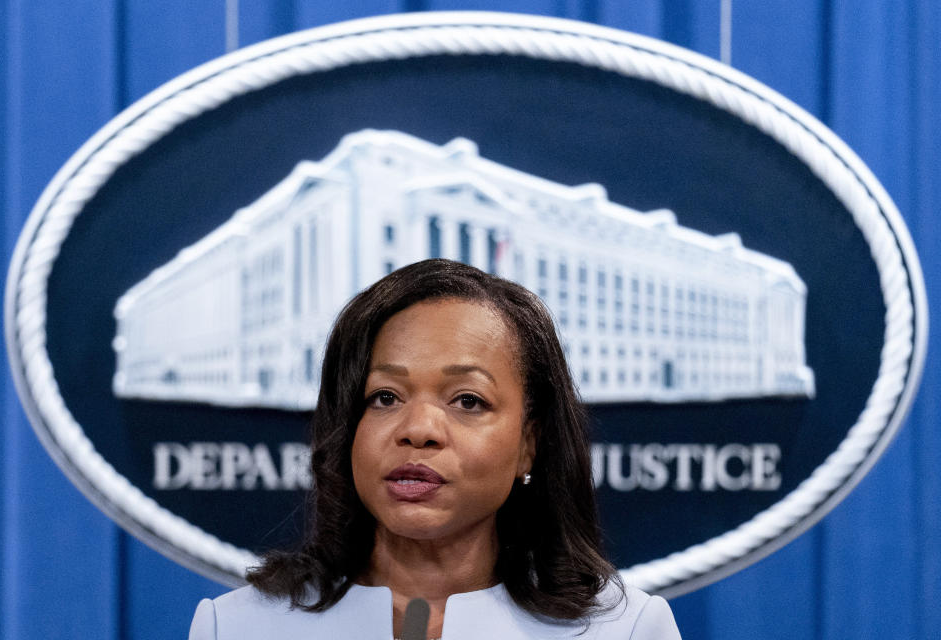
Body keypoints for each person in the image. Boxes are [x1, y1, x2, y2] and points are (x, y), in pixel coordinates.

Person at [189, 259, 681, 639]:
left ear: (529, 445)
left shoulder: (624, 630)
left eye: (468, 400)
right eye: (385, 397)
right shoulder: (236, 627)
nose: (418, 429)